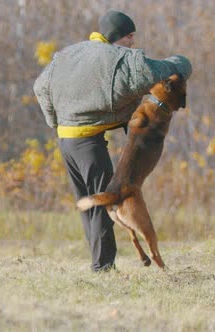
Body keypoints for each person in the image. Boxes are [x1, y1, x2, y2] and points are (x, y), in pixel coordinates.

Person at [33, 10, 192, 272]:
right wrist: (182, 63)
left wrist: (55, 121)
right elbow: (155, 73)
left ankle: (99, 265)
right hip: (88, 143)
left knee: (88, 205)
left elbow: (40, 86)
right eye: (130, 37)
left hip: (66, 141)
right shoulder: (121, 59)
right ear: (121, 36)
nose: (132, 43)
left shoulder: (69, 54)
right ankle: (103, 269)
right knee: (104, 204)